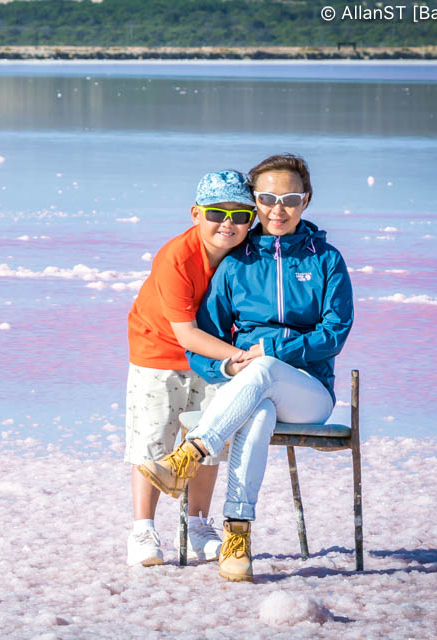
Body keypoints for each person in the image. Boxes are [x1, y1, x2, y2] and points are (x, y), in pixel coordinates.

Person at [138, 154, 354, 581]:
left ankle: (189, 455)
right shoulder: (237, 264)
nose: (278, 209)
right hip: (251, 389)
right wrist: (228, 371)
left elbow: (335, 333)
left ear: (305, 201)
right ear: (255, 202)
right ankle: (238, 537)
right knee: (257, 411)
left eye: (290, 198)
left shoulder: (326, 260)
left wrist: (268, 348)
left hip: (309, 392)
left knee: (268, 366)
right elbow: (206, 343)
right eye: (268, 198)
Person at [124, 170, 258, 567]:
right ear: (196, 213)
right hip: (160, 351)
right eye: (217, 212)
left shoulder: (248, 253)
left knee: (210, 439)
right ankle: (143, 531)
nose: (228, 223)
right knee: (154, 441)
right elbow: (185, 334)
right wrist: (240, 356)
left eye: (240, 214)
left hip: (216, 358)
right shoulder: (176, 257)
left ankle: (198, 527)